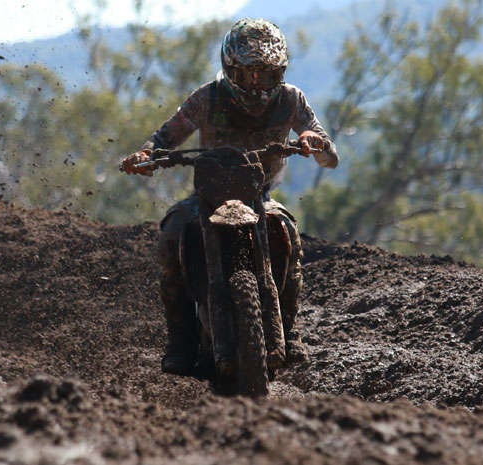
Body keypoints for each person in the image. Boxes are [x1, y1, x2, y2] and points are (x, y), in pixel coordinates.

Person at [120, 18, 340, 376]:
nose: (257, 85)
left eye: (267, 75)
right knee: (172, 233)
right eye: (248, 75)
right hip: (208, 196)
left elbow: (329, 155)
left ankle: (290, 330)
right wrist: (146, 156)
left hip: (260, 195)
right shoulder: (207, 98)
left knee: (290, 237)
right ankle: (181, 341)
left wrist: (316, 144)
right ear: (229, 68)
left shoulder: (291, 99)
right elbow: (165, 136)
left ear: (280, 73)